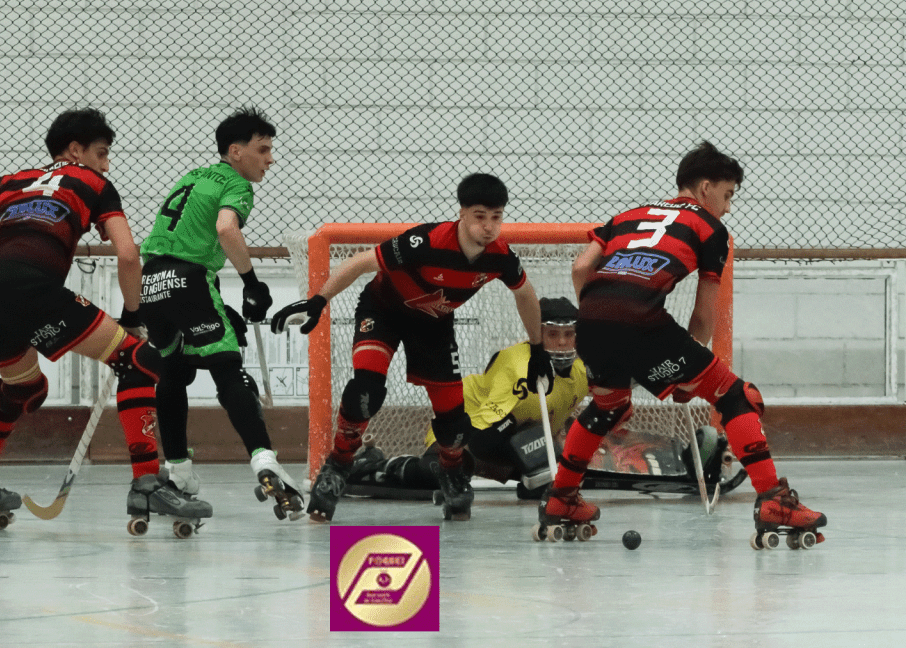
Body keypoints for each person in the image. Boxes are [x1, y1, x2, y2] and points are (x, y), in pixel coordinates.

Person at [539, 141, 826, 546]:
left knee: (609, 407)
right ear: (706, 187)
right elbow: (704, 316)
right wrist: (690, 372)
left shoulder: (627, 216)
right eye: (727, 195)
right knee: (736, 395)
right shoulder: (711, 229)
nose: (728, 207)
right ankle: (774, 502)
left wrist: (600, 315)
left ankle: (561, 498)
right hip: (641, 323)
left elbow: (581, 266)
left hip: (590, 321)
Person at [0, 108, 209, 531]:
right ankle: (146, 484)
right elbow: (128, 254)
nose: (106, 165)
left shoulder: (10, 180)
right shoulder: (95, 184)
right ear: (75, 150)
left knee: (22, 389)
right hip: (34, 286)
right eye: (101, 153)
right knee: (139, 361)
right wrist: (133, 315)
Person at [270, 173, 555, 522]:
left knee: (454, 423)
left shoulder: (501, 257)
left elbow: (524, 294)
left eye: (496, 217)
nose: (488, 227)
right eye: (479, 216)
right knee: (365, 392)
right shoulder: (426, 241)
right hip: (383, 312)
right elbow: (361, 261)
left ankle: (452, 472)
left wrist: (537, 348)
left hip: (433, 326)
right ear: (462, 214)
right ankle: (338, 465)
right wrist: (318, 301)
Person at [139, 107, 303, 521]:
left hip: (151, 281)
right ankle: (265, 459)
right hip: (190, 278)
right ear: (235, 151)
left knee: (173, 373)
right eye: (263, 149)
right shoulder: (236, 183)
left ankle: (178, 473)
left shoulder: (192, 177)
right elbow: (227, 228)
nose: (270, 159)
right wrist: (252, 284)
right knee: (228, 369)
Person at [346, 297, 589, 498]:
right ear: (536, 333)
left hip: (512, 437)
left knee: (540, 471)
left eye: (569, 334)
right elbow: (482, 441)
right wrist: (533, 460)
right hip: (466, 424)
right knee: (438, 472)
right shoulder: (518, 369)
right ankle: (372, 465)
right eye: (552, 334)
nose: (562, 343)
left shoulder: (582, 371)